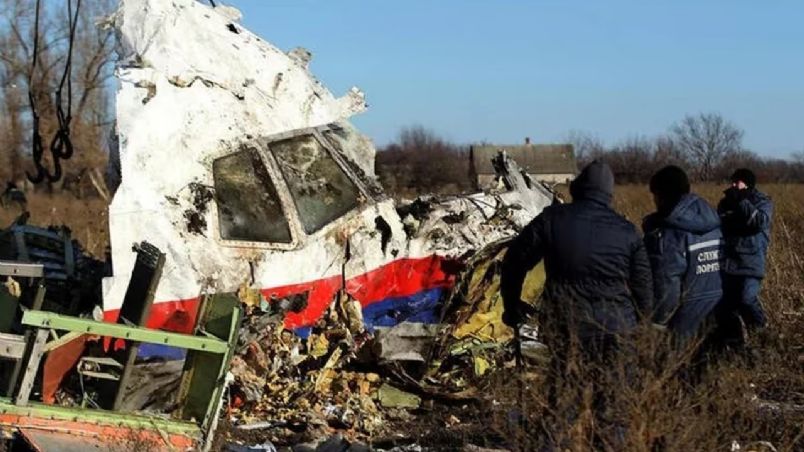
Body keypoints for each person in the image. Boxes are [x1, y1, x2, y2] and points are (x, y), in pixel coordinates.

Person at [500, 161, 653, 445]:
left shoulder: (552, 220)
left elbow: (514, 262)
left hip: (567, 328)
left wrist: (512, 305)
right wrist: (642, 329)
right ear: (609, 195)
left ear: (577, 189)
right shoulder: (627, 231)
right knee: (613, 408)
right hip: (618, 332)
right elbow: (645, 291)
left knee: (563, 403)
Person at [642, 166, 724, 346]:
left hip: (684, 323)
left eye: (654, 195)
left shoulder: (670, 235)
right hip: (718, 313)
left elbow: (667, 285)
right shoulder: (713, 223)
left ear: (662, 195)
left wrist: (658, 322)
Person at [715, 168, 772, 350]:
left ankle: (762, 334)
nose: (733, 185)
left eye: (737, 182)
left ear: (747, 183)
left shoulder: (762, 202)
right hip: (728, 262)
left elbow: (759, 222)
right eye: (732, 181)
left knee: (747, 299)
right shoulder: (725, 203)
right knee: (726, 307)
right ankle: (735, 345)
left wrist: (742, 202)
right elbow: (720, 226)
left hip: (751, 262)